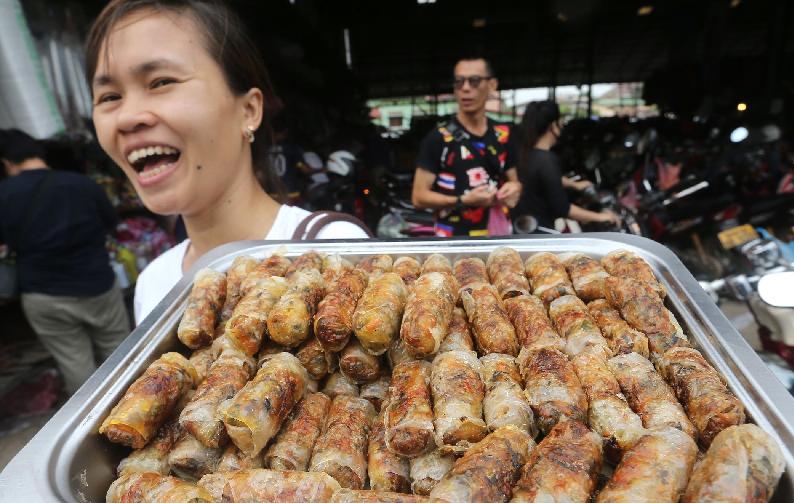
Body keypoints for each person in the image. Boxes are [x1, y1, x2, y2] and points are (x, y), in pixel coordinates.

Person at [86, 0, 370, 324]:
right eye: (109, 97)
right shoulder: (154, 282)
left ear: (248, 111)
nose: (127, 117)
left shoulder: (333, 247)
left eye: (161, 82)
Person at [0, 129, 130, 394]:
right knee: (121, 353)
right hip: (98, 285)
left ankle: (93, 429)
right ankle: (139, 412)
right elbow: (111, 225)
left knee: (75, 364)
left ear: (6, 162)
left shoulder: (4, 194)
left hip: (43, 294)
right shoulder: (83, 185)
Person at [412, 56, 522, 237]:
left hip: (498, 238)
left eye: (475, 81)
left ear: (492, 85)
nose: (465, 88)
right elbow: (418, 197)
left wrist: (515, 189)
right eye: (459, 82)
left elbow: (514, 181)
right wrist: (462, 200)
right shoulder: (438, 138)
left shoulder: (504, 134)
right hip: (453, 243)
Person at [513, 101, 620, 233]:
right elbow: (563, 209)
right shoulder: (547, 161)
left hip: (523, 228)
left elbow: (542, 179)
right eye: (561, 122)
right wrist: (601, 217)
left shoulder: (525, 155)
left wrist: (574, 185)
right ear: (553, 126)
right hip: (541, 233)